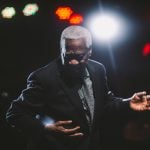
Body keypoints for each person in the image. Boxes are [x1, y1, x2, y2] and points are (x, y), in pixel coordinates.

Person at [6, 25, 150, 150]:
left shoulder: (98, 69)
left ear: (90, 51)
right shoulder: (43, 78)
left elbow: (104, 102)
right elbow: (15, 114)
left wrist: (127, 103)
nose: (74, 62)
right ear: (61, 49)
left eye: (80, 56)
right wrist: (44, 129)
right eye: (68, 56)